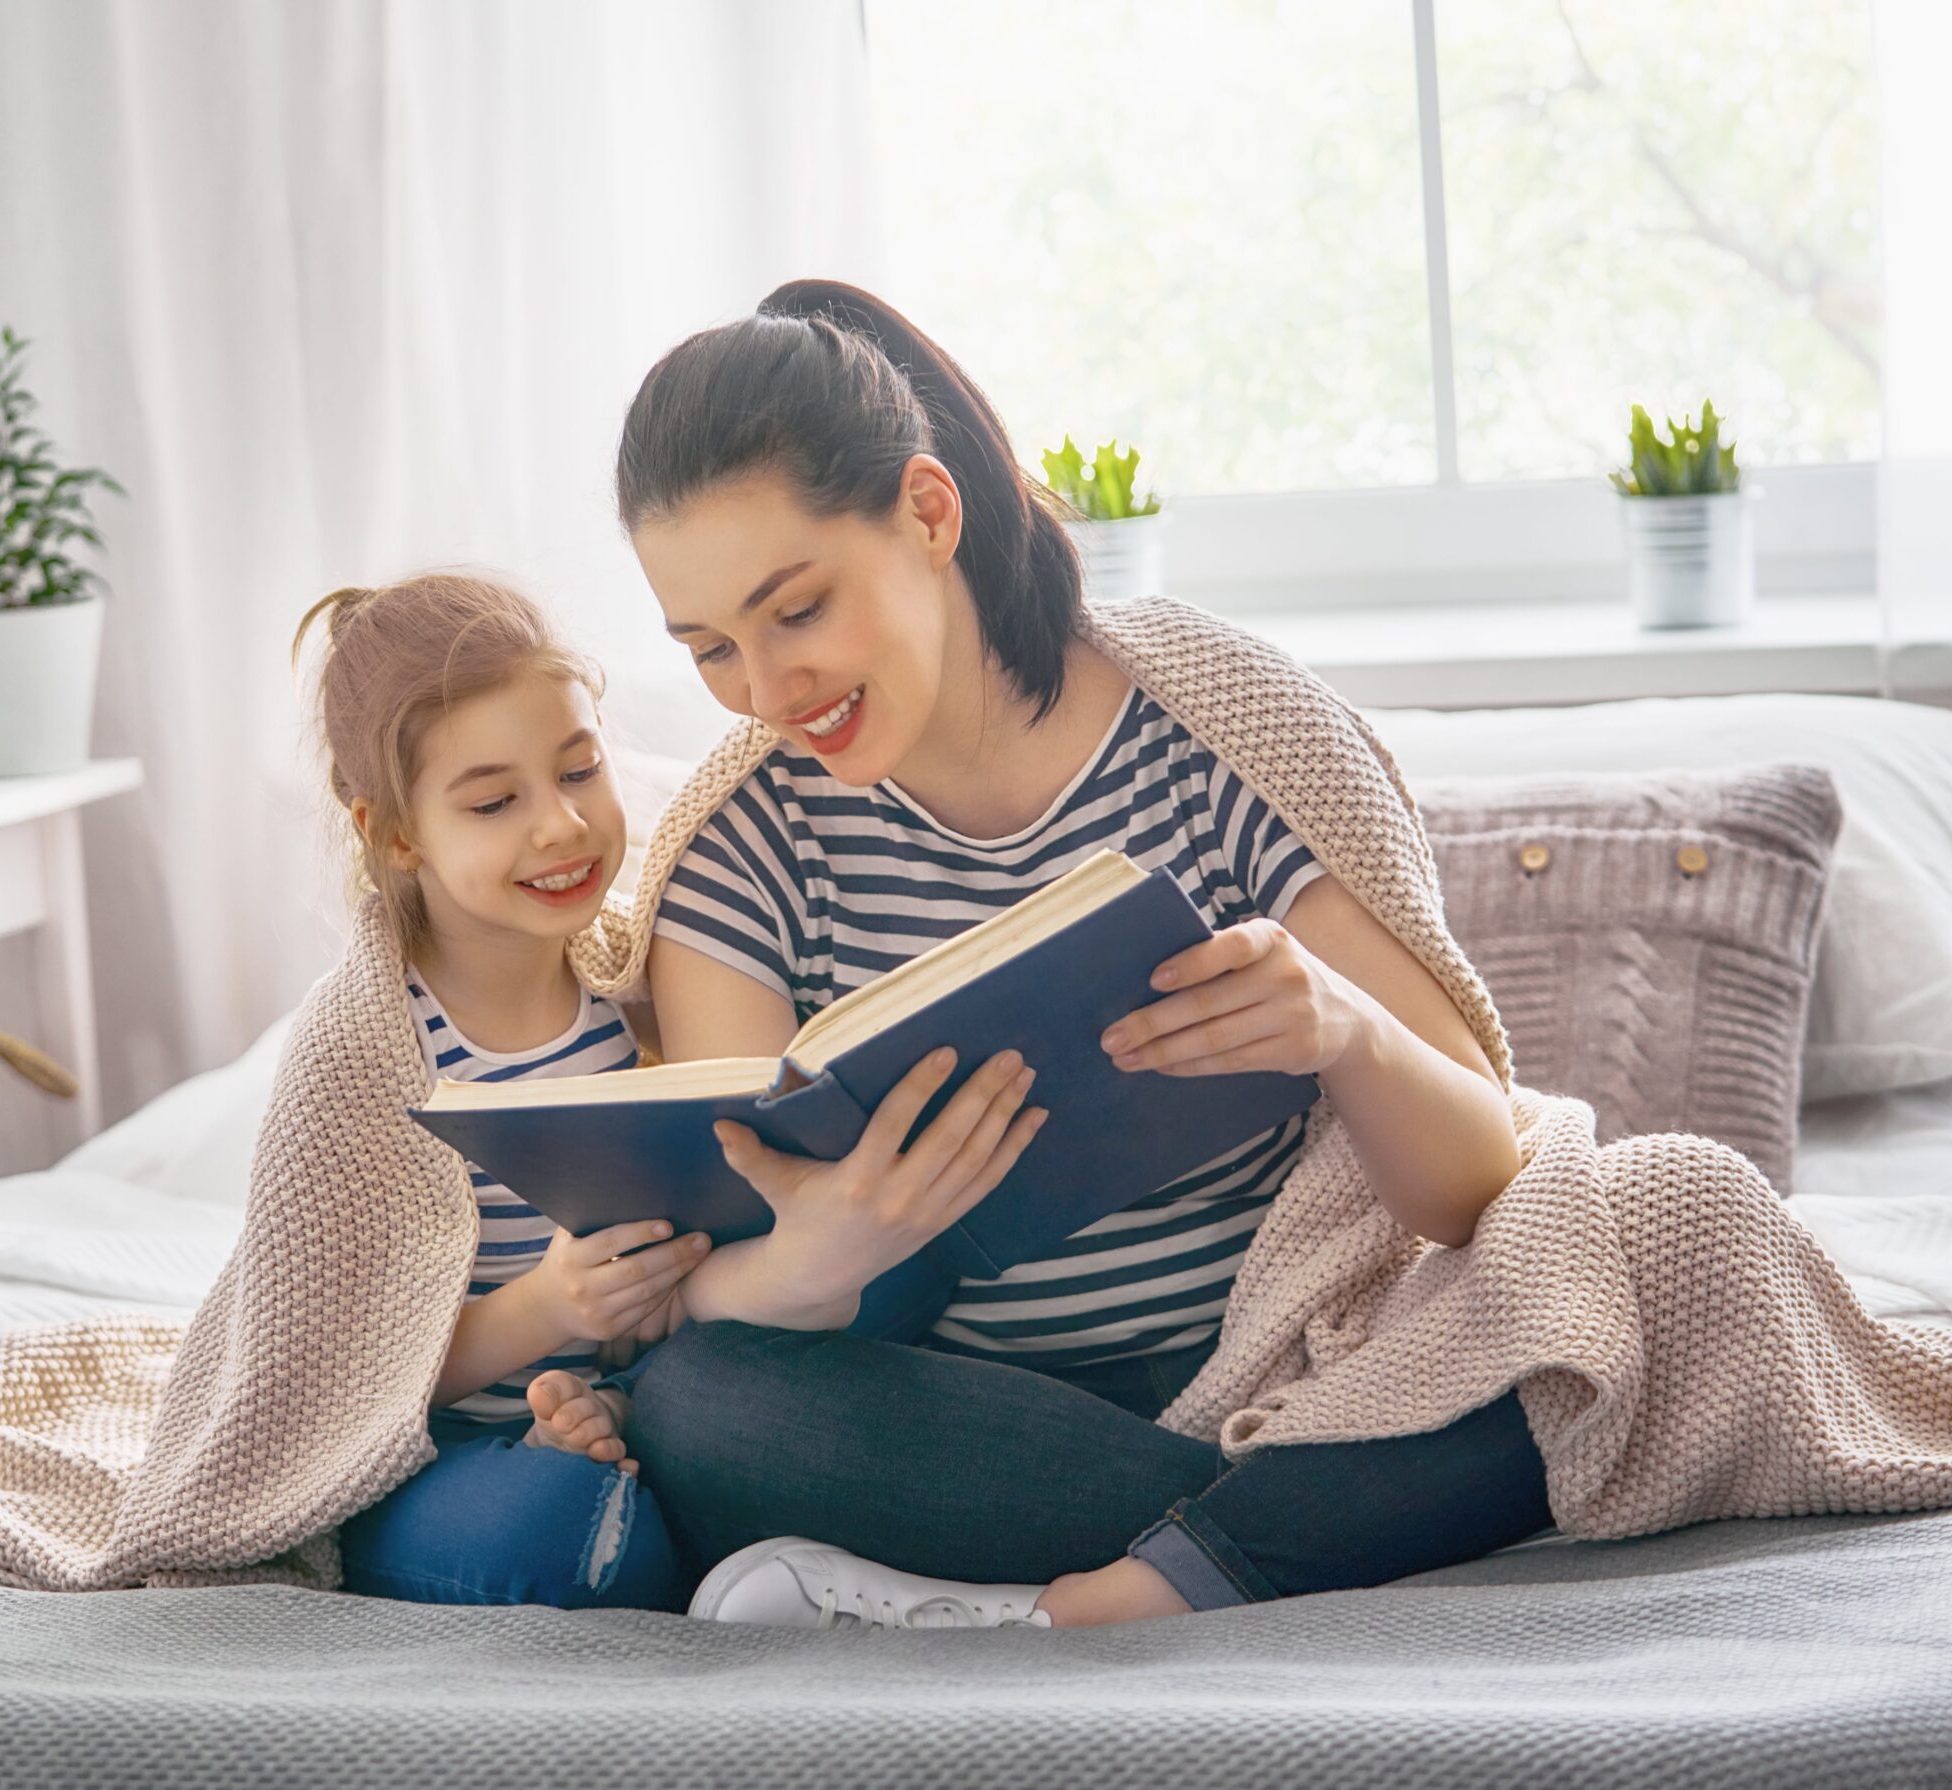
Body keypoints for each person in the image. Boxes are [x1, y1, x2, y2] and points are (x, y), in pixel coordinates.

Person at [612, 280, 1554, 1629]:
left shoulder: (1219, 734)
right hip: (960, 1413)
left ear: (928, 515)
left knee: (1654, 1243)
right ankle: (1267, 1543)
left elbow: (1476, 1186)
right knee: (698, 1403)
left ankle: (1094, 1589)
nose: (768, 690)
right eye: (710, 649)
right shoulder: (742, 849)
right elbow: (716, 1290)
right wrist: (820, 1254)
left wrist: (1344, 1026)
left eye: (797, 611)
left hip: (1289, 1361)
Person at [290, 572, 705, 1610]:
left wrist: (619, 1337)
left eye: (579, 768)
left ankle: (637, 1508)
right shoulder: (366, 1052)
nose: (561, 825)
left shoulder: (639, 992)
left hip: (632, 1415)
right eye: (493, 801)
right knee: (555, 1534)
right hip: (436, 1462)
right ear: (394, 832)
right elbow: (331, 1371)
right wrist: (546, 1308)